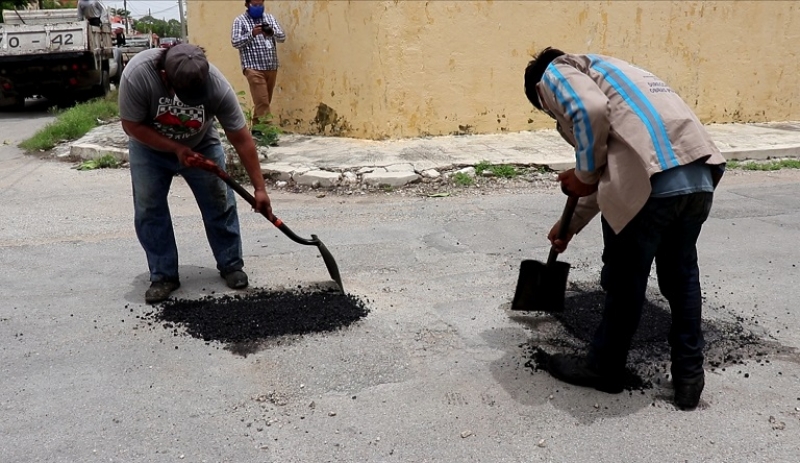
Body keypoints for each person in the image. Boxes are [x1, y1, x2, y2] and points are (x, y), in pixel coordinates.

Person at [523, 47, 726, 410]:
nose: (555, 116)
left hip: (651, 181)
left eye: (549, 112)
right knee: (681, 278)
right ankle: (689, 377)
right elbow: (611, 169)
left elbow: (589, 113)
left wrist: (583, 174)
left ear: (540, 93)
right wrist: (569, 225)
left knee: (624, 279)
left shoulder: (555, 72)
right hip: (698, 176)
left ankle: (604, 367)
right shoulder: (616, 72)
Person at [118, 44, 274, 304]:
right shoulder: (138, 75)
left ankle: (231, 264)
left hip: (201, 144)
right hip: (149, 149)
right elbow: (131, 125)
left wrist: (260, 189)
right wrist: (176, 148)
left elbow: (241, 138)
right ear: (165, 76)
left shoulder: (216, 85)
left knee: (219, 201)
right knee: (149, 208)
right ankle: (163, 275)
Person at [231, 0, 286, 134]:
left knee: (264, 101)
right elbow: (235, 42)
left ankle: (256, 130)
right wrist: (252, 34)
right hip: (252, 67)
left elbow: (282, 37)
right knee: (262, 101)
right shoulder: (240, 21)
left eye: (260, 4)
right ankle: (268, 132)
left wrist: (271, 32)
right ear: (247, 5)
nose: (258, 7)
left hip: (271, 66)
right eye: (254, 5)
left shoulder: (270, 18)